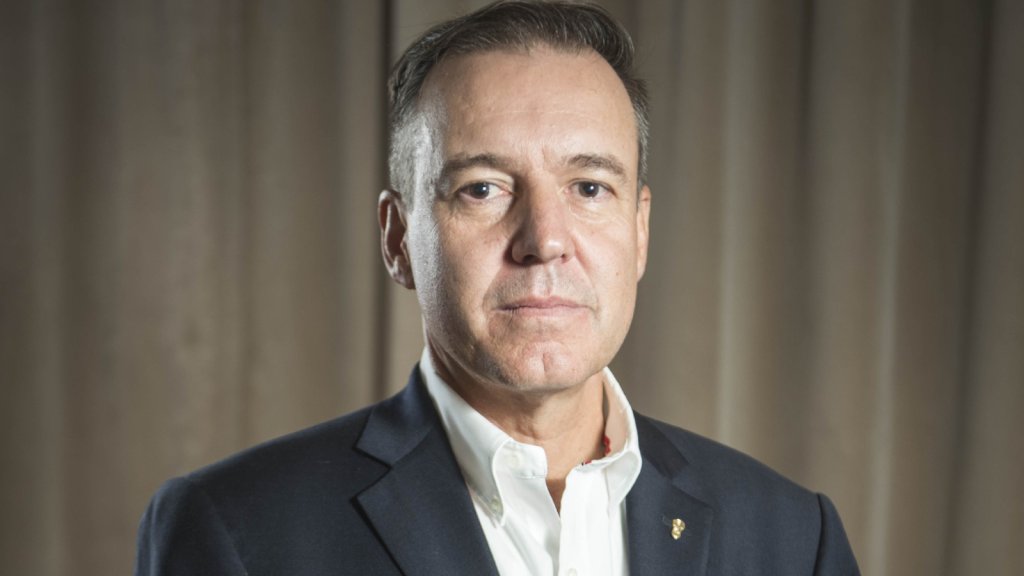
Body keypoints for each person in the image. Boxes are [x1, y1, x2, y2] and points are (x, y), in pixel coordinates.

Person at [134, 1, 860, 574]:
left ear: (639, 231)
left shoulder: (795, 541)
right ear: (398, 238)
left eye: (589, 187)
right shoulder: (239, 531)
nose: (544, 239)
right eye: (482, 188)